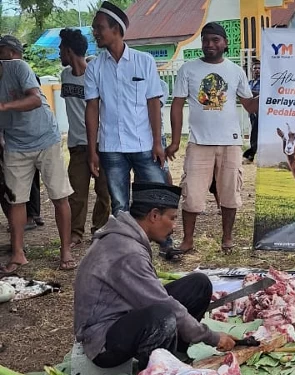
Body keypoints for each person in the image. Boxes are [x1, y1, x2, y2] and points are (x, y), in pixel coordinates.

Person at [73, 182, 237, 370]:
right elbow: (162, 304)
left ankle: (177, 357)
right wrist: (212, 337)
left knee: (198, 284)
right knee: (162, 316)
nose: (174, 227)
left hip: (124, 315)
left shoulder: (127, 237)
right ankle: (157, 370)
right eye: (173, 218)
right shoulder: (127, 252)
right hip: (102, 340)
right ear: (154, 216)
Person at [85, 2, 174, 254]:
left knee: (158, 194)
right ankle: (126, 249)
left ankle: (166, 243)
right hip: (111, 146)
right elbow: (92, 109)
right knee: (119, 204)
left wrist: (158, 143)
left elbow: (154, 104)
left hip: (145, 144)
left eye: (99, 27)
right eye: (95, 28)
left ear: (116, 29)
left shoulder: (143, 61)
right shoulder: (94, 67)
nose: (95, 32)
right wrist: (93, 150)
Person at [167, 22, 258, 254]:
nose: (210, 44)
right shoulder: (187, 69)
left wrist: (271, 94)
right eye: (206, 40)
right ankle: (187, 241)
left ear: (225, 43)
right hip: (199, 143)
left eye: (215, 40)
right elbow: (176, 105)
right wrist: (176, 141)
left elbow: (248, 104)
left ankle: (227, 239)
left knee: (230, 193)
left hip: (231, 143)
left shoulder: (235, 71)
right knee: (192, 195)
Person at [0, 59, 75, 275]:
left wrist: (3, 106)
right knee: (16, 201)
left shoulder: (17, 67)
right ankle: (17, 253)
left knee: (60, 197)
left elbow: (34, 99)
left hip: (45, 138)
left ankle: (66, 251)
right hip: (14, 143)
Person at [59, 28, 111, 248]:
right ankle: (75, 234)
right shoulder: (65, 75)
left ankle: (99, 231)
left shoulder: (96, 75)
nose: (59, 53)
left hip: (102, 143)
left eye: (61, 49)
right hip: (76, 145)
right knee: (76, 193)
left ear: (69, 50)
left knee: (104, 192)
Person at [0, 35, 44, 231]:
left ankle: (31, 215)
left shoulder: (23, 71)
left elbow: (35, 102)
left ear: (11, 52)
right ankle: (29, 216)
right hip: (15, 137)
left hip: (31, 135)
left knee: (26, 179)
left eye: (1, 52)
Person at [242, 59, 260, 164]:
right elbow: (245, 95)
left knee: (255, 133)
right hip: (252, 112)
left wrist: (251, 94)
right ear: (252, 70)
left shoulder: (265, 82)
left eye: (259, 68)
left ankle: (250, 155)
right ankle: (251, 155)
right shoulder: (250, 83)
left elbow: (258, 94)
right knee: (253, 132)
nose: (257, 70)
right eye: (255, 68)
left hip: (261, 113)